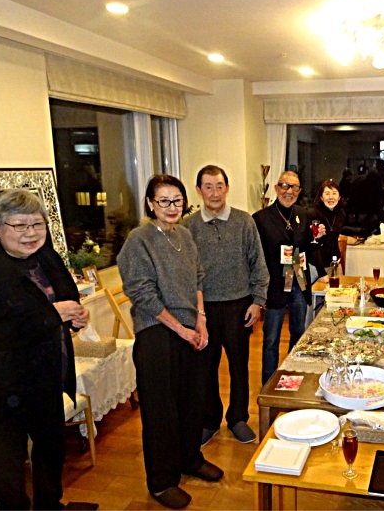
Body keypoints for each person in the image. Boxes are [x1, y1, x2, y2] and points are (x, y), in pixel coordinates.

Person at [0, 189, 94, 510]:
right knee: (7, 465)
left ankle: (50, 505)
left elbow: (67, 296)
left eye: (37, 224)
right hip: (3, 388)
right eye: (19, 225)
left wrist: (77, 317)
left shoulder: (47, 257)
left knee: (51, 449)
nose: (30, 233)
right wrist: (53, 315)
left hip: (47, 376)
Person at [118, 175, 222, 509]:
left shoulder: (185, 235)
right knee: (161, 410)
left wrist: (201, 320)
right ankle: (162, 481)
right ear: (151, 204)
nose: (172, 207)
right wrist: (181, 329)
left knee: (193, 400)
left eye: (177, 200)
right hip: (157, 332)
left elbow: (198, 279)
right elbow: (142, 293)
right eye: (164, 201)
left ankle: (190, 458)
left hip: (189, 328)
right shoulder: (139, 240)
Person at [183, 165, 269, 445]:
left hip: (238, 306)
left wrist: (258, 301)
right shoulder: (188, 226)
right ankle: (210, 420)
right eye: (208, 187)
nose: (214, 193)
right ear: (199, 190)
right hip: (203, 309)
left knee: (239, 366)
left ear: (227, 188)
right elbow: (184, 272)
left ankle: (238, 418)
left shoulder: (244, 222)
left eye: (219, 186)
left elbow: (258, 263)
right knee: (205, 368)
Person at [253, 171, 325, 384]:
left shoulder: (304, 214)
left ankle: (293, 379)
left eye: (294, 187)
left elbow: (308, 248)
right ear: (277, 188)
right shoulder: (261, 218)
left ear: (299, 191)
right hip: (274, 284)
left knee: (298, 333)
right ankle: (268, 385)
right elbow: (256, 256)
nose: (289, 191)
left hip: (299, 281)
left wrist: (317, 239)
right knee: (271, 339)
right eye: (285, 186)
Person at [309, 179, 346, 275]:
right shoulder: (313, 214)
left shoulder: (340, 213)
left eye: (334, 193)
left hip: (335, 263)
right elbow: (312, 246)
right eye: (327, 194)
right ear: (321, 197)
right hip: (317, 266)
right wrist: (321, 272)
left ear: (339, 197)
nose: (331, 197)